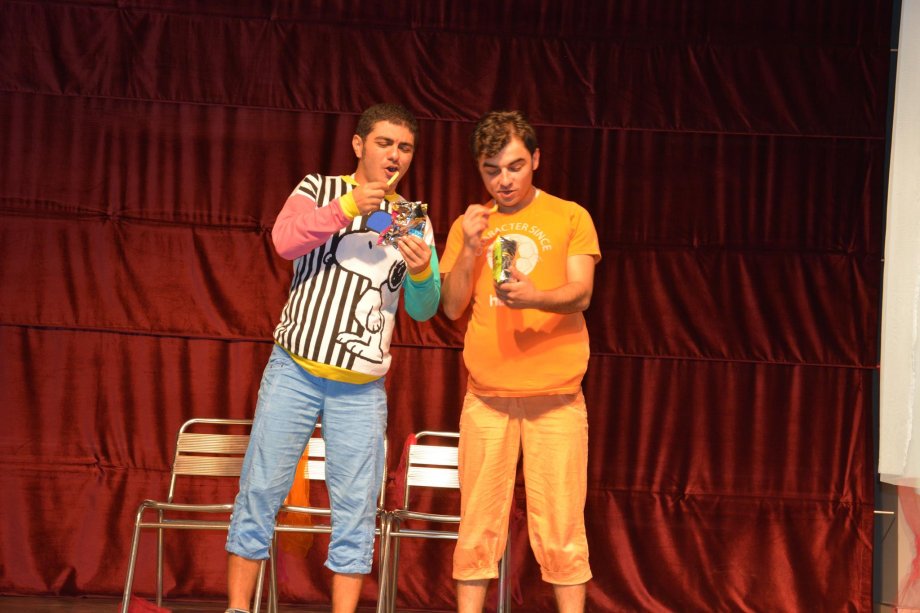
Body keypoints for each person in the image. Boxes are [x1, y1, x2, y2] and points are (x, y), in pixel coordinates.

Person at [224, 103, 440, 613]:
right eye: (384, 143)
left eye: (405, 148)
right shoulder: (318, 188)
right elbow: (283, 241)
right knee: (260, 490)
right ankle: (237, 608)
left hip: (361, 388)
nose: (394, 155)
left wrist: (421, 272)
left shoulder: (413, 219)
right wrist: (347, 207)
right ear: (359, 145)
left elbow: (424, 309)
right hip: (295, 369)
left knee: (356, 509)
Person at [440, 110, 599, 613]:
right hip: (487, 399)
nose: (503, 180)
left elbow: (582, 293)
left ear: (535, 160)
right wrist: (469, 249)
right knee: (476, 529)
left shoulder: (570, 216)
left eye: (514, 166)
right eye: (491, 170)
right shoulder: (469, 225)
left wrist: (536, 297)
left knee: (562, 532)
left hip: (557, 399)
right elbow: (451, 306)